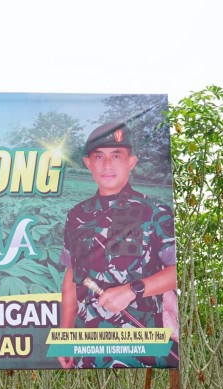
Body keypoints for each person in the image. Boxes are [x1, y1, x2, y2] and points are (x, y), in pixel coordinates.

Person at [58, 121, 178, 369]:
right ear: (88, 163)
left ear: (131, 162)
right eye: (99, 156)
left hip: (143, 347)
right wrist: (65, 338)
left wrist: (132, 290)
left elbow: (178, 272)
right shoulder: (76, 215)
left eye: (116, 156)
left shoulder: (156, 212)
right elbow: (72, 277)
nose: (108, 165)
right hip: (88, 347)